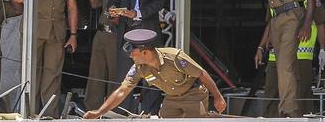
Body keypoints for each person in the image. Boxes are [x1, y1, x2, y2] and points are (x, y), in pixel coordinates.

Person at [83, 29, 226, 119]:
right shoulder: (139, 67)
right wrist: (98, 112)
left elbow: (202, 74)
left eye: (133, 52)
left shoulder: (174, 57)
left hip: (193, 95)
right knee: (164, 118)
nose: (131, 56)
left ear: (145, 52)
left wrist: (218, 97)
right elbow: (122, 91)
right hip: (171, 98)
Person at [11, 0, 80, 115]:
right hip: (32, 31)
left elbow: (72, 7)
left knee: (53, 76)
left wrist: (73, 35)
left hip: (56, 33)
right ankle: (29, 114)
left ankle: (49, 116)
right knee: (30, 73)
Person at [262, 0, 317, 117]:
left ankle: (288, 112)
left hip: (293, 16)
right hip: (277, 19)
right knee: (285, 67)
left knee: (285, 65)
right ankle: (294, 109)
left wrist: (307, 23)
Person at [108, 0, 166, 114]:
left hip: (147, 28)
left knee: (152, 75)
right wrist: (112, 10)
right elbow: (114, 0)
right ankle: (121, 114)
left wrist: (137, 13)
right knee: (124, 76)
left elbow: (159, 2)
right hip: (126, 32)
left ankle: (149, 113)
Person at [255, 0, 325, 116]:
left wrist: (323, 49)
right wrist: (261, 47)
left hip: (301, 56)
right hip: (275, 57)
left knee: (298, 98)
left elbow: (320, 22)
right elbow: (270, 23)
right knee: (272, 97)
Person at [84, 0, 128, 110]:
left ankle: (113, 110)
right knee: (95, 73)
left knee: (114, 75)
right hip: (101, 33)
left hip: (116, 35)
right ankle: (92, 109)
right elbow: (95, 3)